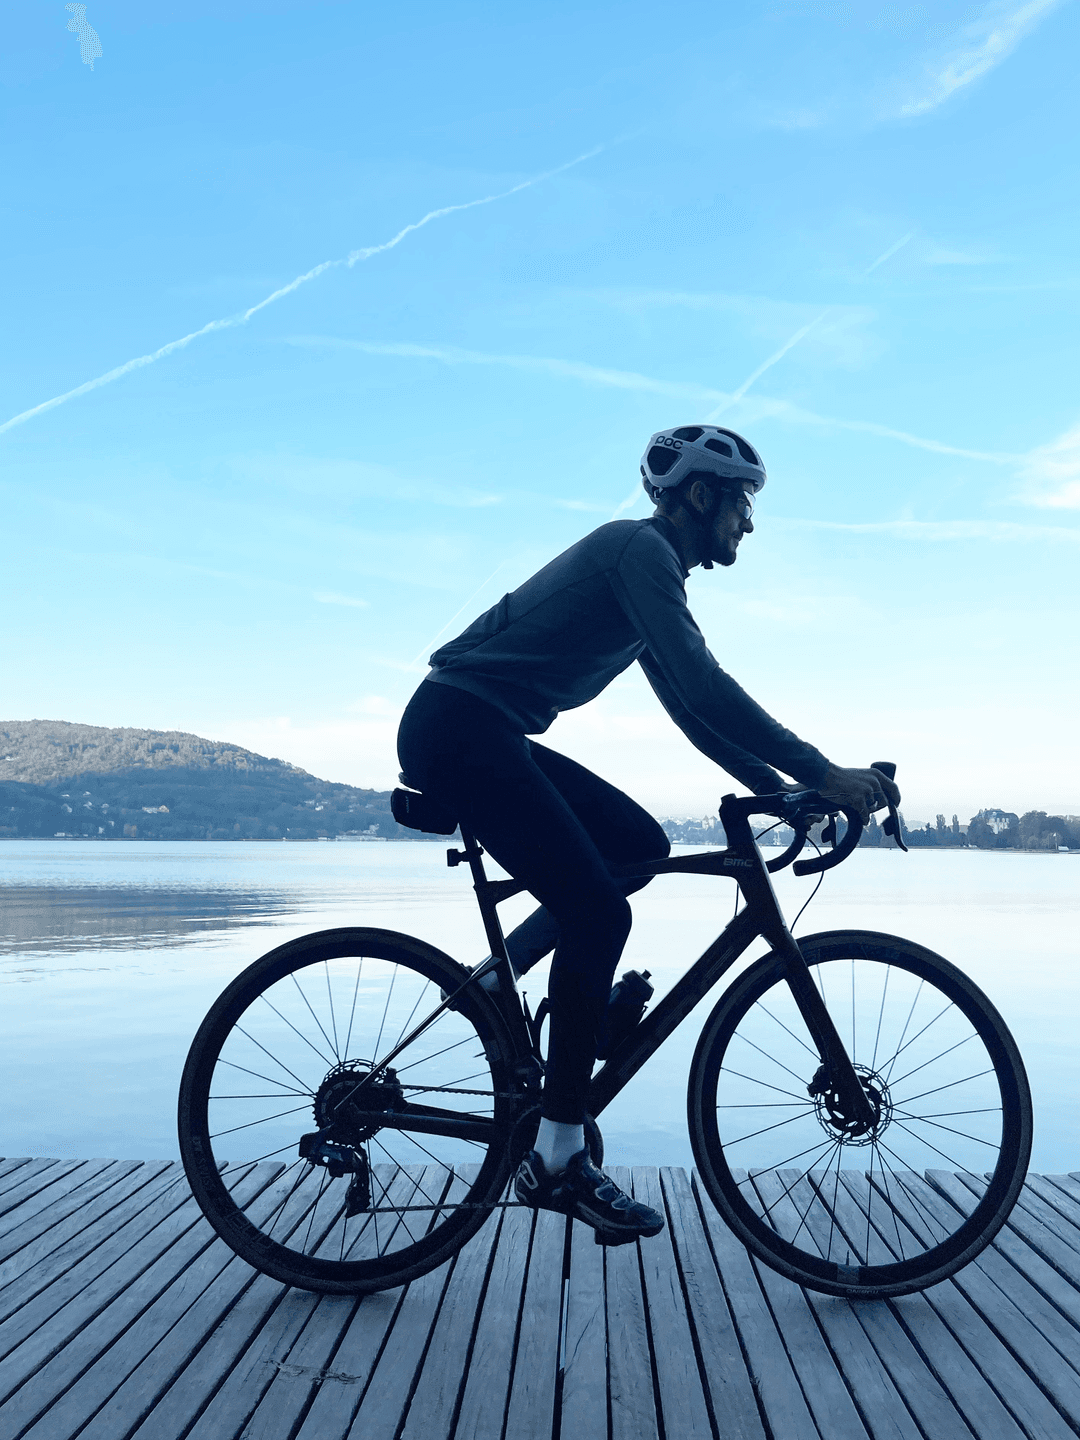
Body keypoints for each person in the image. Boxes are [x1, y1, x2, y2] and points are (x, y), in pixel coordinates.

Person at [397, 423, 900, 1246]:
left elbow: (694, 713)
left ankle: (495, 982)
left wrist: (784, 791)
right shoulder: (640, 552)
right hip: (461, 728)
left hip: (479, 728)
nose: (749, 524)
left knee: (638, 846)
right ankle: (558, 1156)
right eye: (742, 505)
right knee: (600, 913)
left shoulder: (646, 577)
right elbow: (706, 685)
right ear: (700, 496)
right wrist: (823, 770)